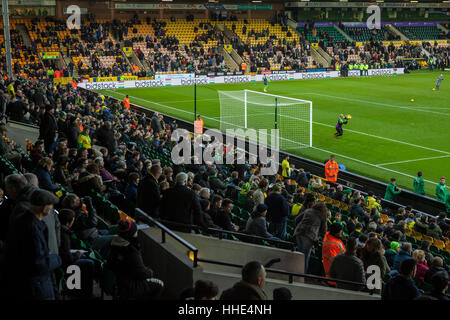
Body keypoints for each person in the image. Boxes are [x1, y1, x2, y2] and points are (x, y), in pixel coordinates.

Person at [5, 189, 62, 300]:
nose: (52, 208)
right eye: (51, 205)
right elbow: (39, 264)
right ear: (44, 207)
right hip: (36, 287)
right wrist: (57, 259)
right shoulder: (32, 228)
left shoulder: (21, 220)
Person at [106, 220, 164, 300]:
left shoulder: (113, 244)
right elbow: (142, 273)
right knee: (159, 284)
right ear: (131, 234)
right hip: (129, 286)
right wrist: (150, 272)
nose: (137, 231)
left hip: (118, 282)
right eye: (136, 230)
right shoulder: (131, 250)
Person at [58, 208, 95, 298]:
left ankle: (78, 289)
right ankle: (84, 293)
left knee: (85, 256)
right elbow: (68, 258)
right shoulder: (64, 235)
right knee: (89, 263)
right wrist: (77, 254)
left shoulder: (59, 229)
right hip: (64, 262)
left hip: (62, 258)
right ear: (68, 222)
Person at [294, 201, 327, 272]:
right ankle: (302, 274)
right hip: (309, 235)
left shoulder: (308, 210)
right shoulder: (322, 215)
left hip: (299, 232)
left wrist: (298, 227)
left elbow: (296, 219)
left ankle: (296, 271)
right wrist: (317, 234)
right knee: (305, 256)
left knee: (300, 253)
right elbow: (324, 229)